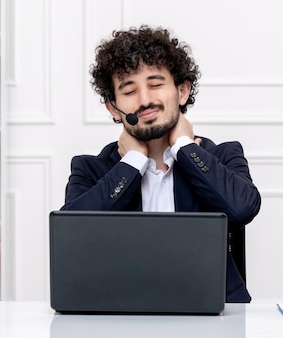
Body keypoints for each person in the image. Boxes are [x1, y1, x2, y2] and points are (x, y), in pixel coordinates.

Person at [61, 25, 261, 302]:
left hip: (212, 317)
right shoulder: (90, 170)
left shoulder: (223, 156)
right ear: (113, 108)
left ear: (182, 91)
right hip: (119, 315)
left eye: (155, 85)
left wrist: (184, 147)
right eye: (129, 91)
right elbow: (72, 235)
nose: (145, 100)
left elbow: (241, 210)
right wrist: (132, 163)